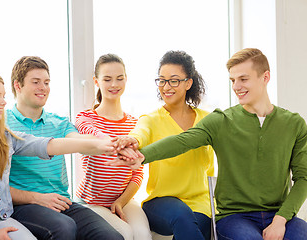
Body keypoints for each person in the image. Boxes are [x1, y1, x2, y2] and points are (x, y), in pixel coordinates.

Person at [113, 48, 307, 240]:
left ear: (265, 77)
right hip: (235, 216)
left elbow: (303, 177)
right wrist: (143, 155)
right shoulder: (222, 121)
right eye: (233, 80)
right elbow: (182, 141)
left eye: (243, 79)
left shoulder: (294, 124)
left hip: (274, 215)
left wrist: (280, 220)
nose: (236, 86)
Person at [0, 70, 115, 240]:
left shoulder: (3, 138)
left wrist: (106, 144)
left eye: (3, 96)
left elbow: (46, 145)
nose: (3, 102)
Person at [6, 56, 123, 240]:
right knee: (64, 227)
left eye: (46, 82)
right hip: (23, 205)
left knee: (111, 237)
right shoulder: (3, 124)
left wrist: (113, 144)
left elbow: (80, 142)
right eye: (36, 82)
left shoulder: (59, 123)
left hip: (61, 202)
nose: (43, 88)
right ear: (18, 86)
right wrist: (37, 198)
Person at [114, 50, 214, 240]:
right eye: (162, 80)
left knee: (195, 225)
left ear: (188, 83)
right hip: (161, 203)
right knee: (182, 216)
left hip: (200, 202)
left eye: (174, 80)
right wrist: (132, 140)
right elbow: (140, 133)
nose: (166, 87)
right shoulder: (151, 119)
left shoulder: (207, 120)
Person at [74, 53, 152, 240]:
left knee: (142, 235)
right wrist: (118, 144)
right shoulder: (86, 118)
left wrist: (121, 201)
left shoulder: (135, 124)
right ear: (96, 81)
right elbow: (90, 133)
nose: (114, 85)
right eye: (107, 79)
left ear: (126, 79)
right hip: (91, 203)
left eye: (119, 78)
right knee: (123, 234)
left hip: (124, 201)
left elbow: (137, 173)